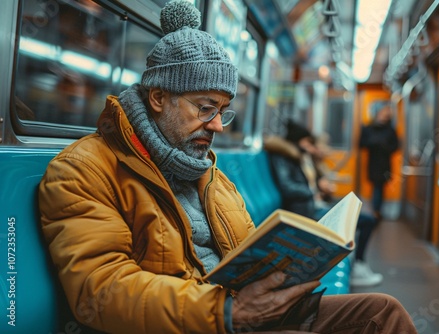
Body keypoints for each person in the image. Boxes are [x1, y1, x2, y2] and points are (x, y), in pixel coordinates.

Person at [38, 1, 416, 333]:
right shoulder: (82, 171)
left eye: (223, 111)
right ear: (158, 98)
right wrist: (228, 311)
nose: (218, 125)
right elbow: (99, 291)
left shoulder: (206, 172)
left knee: (381, 312)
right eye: (205, 109)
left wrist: (294, 268)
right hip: (203, 320)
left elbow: (245, 250)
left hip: (236, 311)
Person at [265, 120, 383, 288]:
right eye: (306, 141)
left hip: (311, 206)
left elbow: (310, 179)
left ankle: (359, 264)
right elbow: (288, 188)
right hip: (303, 212)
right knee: (366, 221)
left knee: (362, 218)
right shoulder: (284, 157)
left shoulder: (299, 156)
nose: (309, 145)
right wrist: (315, 192)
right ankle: (358, 266)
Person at [359, 103, 399, 221]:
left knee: (380, 187)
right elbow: (361, 144)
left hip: (385, 163)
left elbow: (395, 146)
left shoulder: (390, 130)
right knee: (376, 187)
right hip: (373, 162)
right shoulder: (368, 128)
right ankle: (375, 211)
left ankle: (376, 211)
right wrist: (375, 143)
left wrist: (383, 146)